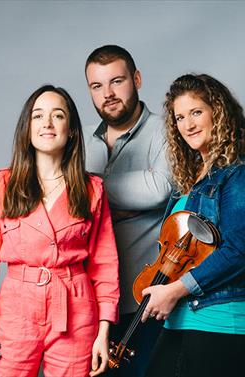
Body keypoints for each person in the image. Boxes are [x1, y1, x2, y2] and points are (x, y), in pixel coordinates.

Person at [0, 85, 120, 377]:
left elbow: (105, 266)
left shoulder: (91, 190)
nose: (47, 123)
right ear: (27, 128)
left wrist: (103, 331)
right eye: (38, 116)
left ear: (70, 130)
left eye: (57, 116)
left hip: (76, 309)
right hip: (16, 309)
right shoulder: (1, 186)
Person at [142, 74, 245, 377]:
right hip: (184, 320)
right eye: (180, 117)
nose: (188, 125)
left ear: (218, 111)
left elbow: (239, 250)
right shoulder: (190, 183)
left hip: (219, 323)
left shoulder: (236, 174)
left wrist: (174, 290)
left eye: (197, 112)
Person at [83, 45, 171, 376]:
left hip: (145, 300)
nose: (108, 94)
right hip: (92, 302)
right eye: (97, 86)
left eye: (117, 81)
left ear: (136, 79)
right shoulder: (84, 144)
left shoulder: (166, 131)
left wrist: (94, 191)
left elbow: (160, 188)